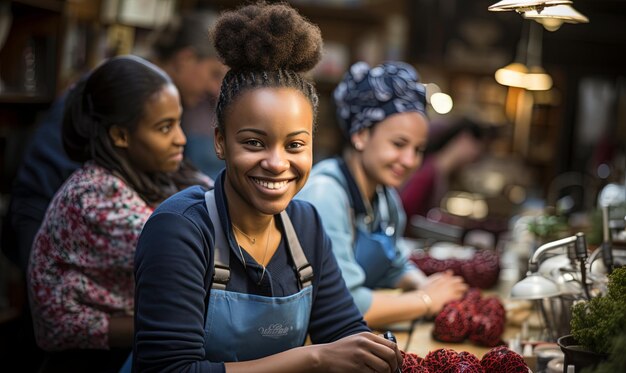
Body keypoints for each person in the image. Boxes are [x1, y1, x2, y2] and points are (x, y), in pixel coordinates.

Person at [132, 3, 402, 372]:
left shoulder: (306, 225)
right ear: (220, 142)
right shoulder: (180, 229)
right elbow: (168, 370)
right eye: (254, 143)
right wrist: (314, 356)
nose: (277, 163)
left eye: (294, 145)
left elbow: (343, 333)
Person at [27, 55, 210, 372]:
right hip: (90, 360)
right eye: (164, 127)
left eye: (178, 122)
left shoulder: (160, 173)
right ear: (120, 136)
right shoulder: (95, 195)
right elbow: (190, 254)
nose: (180, 138)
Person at [297, 61, 468, 330]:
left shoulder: (385, 198)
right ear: (361, 135)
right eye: (399, 144)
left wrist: (423, 283)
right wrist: (426, 300)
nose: (410, 160)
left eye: (418, 149)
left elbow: (394, 265)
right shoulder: (325, 195)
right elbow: (342, 304)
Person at [150, 10, 228, 180]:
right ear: (185, 59)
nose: (216, 90)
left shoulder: (188, 103)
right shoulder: (137, 93)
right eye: (214, 74)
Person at [400, 116, 488, 219]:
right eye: (476, 148)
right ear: (464, 139)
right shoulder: (428, 174)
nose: (475, 156)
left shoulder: (440, 172)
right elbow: (404, 209)